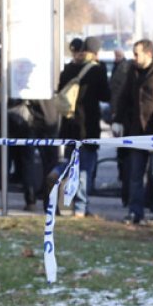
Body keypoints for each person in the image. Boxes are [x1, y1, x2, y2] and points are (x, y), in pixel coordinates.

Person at [116, 39, 153, 224]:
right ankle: (135, 211)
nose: (134, 57)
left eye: (137, 54)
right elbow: (124, 97)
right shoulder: (133, 72)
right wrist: (118, 119)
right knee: (135, 174)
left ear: (148, 54)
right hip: (138, 131)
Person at [58, 36, 110, 217]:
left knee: (70, 165)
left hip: (69, 125)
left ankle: (67, 204)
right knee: (85, 168)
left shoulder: (69, 68)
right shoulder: (97, 70)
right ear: (96, 52)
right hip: (87, 126)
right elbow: (105, 95)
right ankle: (80, 207)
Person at [108, 48, 133, 206]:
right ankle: (129, 196)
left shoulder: (121, 71)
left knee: (125, 161)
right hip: (130, 124)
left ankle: (127, 195)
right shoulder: (127, 71)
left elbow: (113, 94)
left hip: (124, 122)